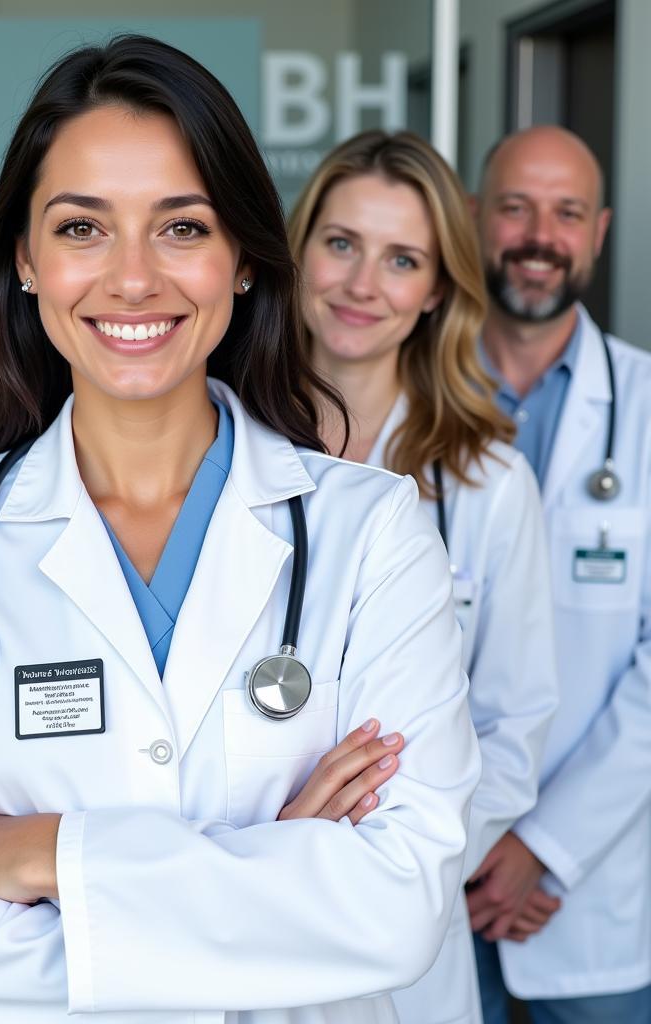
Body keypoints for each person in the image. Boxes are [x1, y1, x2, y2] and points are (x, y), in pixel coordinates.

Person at [0, 35, 480, 1023]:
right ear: (26, 263)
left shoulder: (371, 532)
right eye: (82, 229)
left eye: (180, 228)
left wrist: (46, 854)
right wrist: (273, 867)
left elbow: (396, 909)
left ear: (245, 260)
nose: (132, 280)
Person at [287, 130, 558, 1024]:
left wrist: (392, 848)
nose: (363, 285)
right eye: (341, 244)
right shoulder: (213, 450)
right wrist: (279, 846)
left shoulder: (489, 484)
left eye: (401, 259)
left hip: (406, 932)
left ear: (438, 288)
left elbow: (514, 728)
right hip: (252, 906)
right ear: (299, 251)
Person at [467, 124, 651, 1023]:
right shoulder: (406, 408)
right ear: (472, 219)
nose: (540, 236)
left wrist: (542, 845)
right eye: (516, 207)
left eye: (567, 213)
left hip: (591, 893)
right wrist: (475, 840)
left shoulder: (649, 409)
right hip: (438, 877)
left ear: (599, 232)